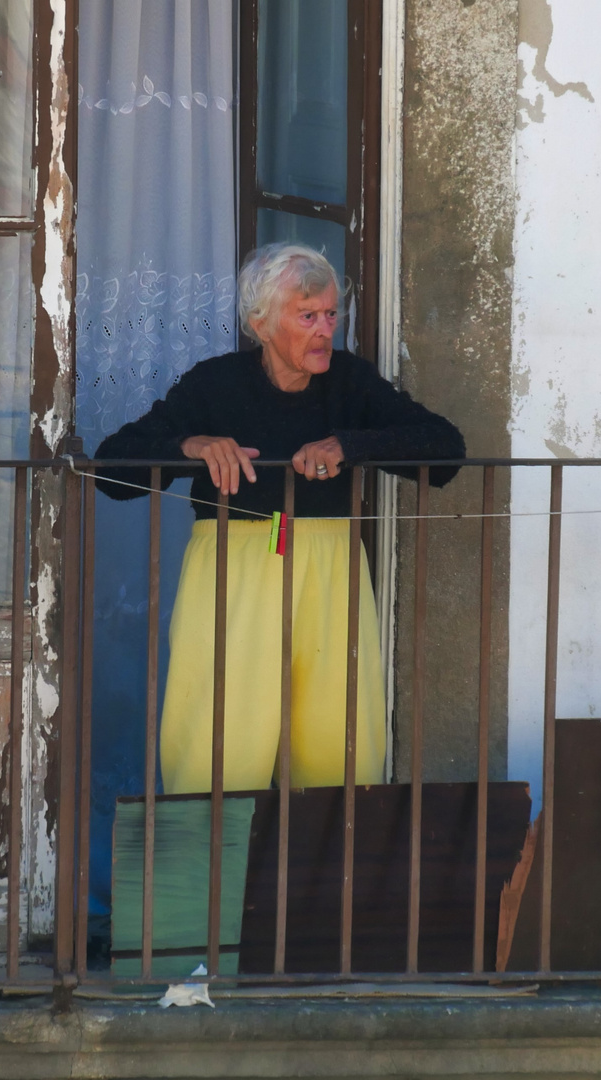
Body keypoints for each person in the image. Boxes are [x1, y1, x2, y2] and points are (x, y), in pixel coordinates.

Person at [95, 243, 465, 795]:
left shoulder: (350, 382)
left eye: (331, 315)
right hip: (234, 568)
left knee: (339, 740)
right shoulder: (215, 384)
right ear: (259, 323)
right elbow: (110, 469)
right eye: (307, 315)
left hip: (330, 567)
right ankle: (206, 879)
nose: (324, 331)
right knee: (217, 740)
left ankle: (326, 877)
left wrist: (351, 444)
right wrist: (191, 445)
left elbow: (446, 449)